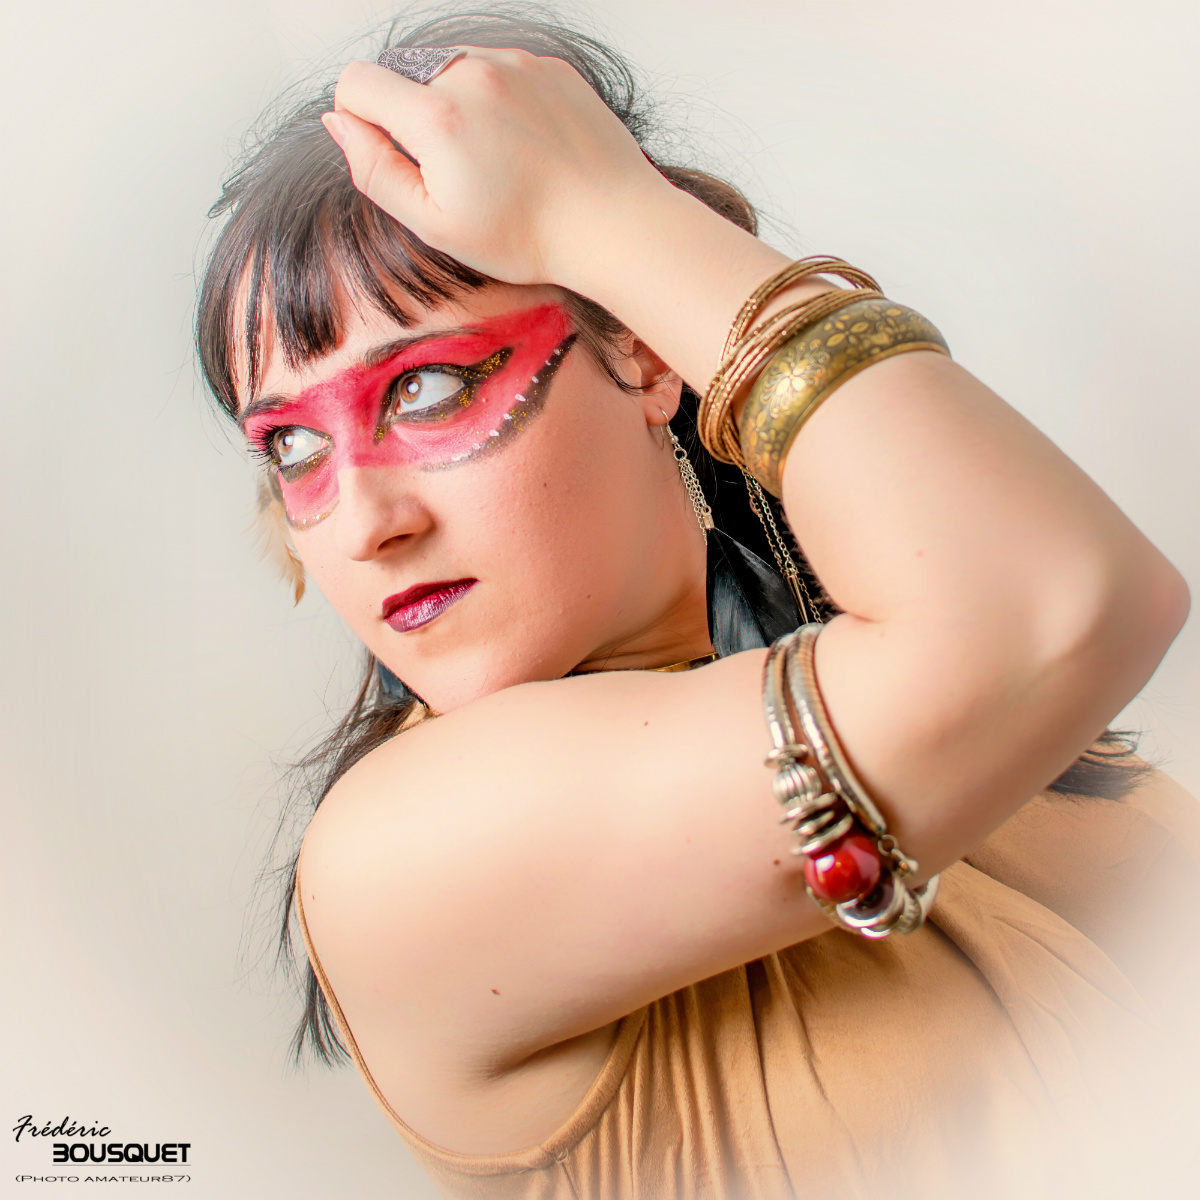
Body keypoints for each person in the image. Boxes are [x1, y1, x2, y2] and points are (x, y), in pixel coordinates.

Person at [196, 9, 1197, 1198]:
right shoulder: (398, 858)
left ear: (642, 352)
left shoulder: (916, 692)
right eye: (294, 447)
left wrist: (607, 216)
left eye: (425, 390)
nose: (366, 524)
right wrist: (609, 214)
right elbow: (1061, 606)